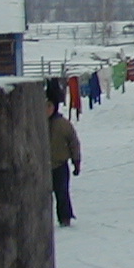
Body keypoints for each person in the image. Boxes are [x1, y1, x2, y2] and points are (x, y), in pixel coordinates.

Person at [46, 89, 82, 226]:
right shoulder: (38, 123)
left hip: (60, 165)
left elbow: (74, 142)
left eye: (49, 106)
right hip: (42, 166)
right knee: (43, 195)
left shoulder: (63, 124)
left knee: (62, 193)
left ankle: (65, 217)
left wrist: (76, 161)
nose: (46, 110)